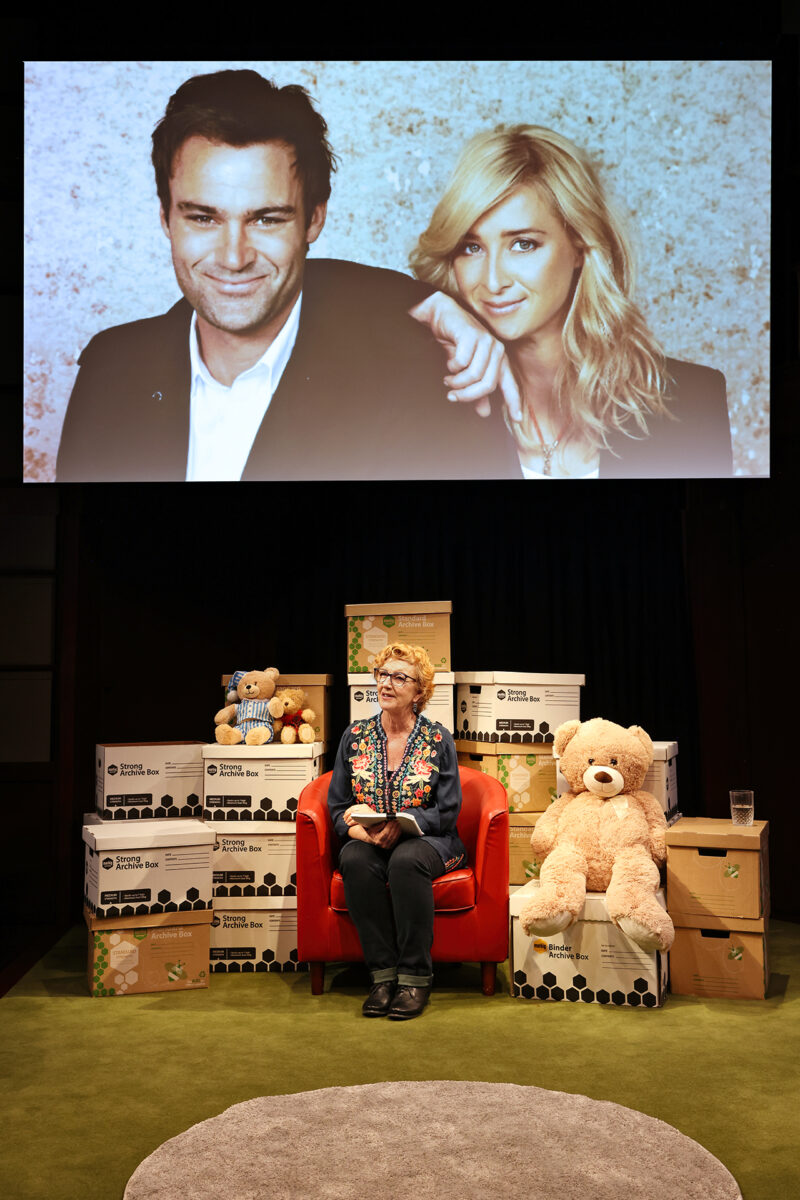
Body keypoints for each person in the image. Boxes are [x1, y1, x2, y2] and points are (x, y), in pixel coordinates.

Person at [55, 70, 514, 482]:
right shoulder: (109, 370)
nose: (233, 257)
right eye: (203, 218)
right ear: (165, 219)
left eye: (267, 220)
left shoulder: (426, 382)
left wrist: (425, 300)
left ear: (314, 220)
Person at [410, 125, 734, 478]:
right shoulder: (426, 396)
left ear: (579, 247)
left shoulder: (692, 403)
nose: (492, 281)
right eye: (471, 248)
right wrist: (428, 303)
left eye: (523, 244)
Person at [327, 643, 466, 1020]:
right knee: (354, 860)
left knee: (405, 862)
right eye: (382, 674)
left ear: (418, 691)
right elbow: (338, 805)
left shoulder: (438, 739)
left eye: (399, 677)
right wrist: (359, 833)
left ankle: (415, 979)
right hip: (369, 838)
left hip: (429, 840)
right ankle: (383, 977)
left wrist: (403, 826)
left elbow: (448, 810)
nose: (386, 684)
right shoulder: (353, 736)